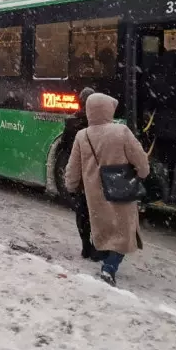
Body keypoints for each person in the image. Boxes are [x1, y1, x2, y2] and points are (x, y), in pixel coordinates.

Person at [65, 92, 150, 287]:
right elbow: (140, 159)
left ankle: (105, 260)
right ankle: (110, 268)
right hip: (121, 189)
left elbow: (73, 168)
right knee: (124, 231)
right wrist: (142, 174)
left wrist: (71, 186)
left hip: (95, 194)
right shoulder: (122, 131)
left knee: (104, 230)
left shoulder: (82, 135)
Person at [145, 51, 176, 204]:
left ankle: (165, 193)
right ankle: (175, 195)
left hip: (161, 126)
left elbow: (149, 105)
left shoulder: (157, 80)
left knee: (162, 159)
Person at [59, 87, 96, 259]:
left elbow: (66, 149)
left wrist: (70, 183)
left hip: (81, 177)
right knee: (96, 213)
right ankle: (97, 248)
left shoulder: (71, 123)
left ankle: (85, 245)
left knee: (82, 212)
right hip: (96, 177)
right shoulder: (102, 125)